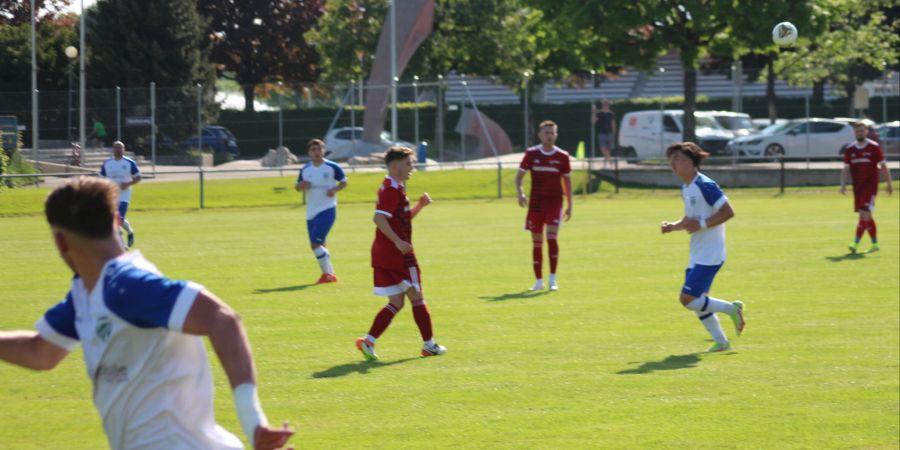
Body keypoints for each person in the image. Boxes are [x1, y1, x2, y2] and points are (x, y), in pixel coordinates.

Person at [0, 177, 294, 450]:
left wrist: (252, 419)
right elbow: (40, 352)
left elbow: (222, 319)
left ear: (61, 241)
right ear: (117, 220)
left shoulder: (126, 285)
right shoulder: (86, 291)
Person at [355, 146, 446, 361]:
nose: (412, 167)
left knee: (396, 301)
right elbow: (378, 218)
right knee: (417, 297)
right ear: (395, 166)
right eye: (408, 163)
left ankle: (369, 341)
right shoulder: (392, 189)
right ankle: (429, 345)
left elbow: (398, 219)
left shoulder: (394, 187)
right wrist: (398, 242)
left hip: (384, 253)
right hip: (398, 255)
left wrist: (420, 206)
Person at [660, 142, 745, 353]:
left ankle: (732, 309)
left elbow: (728, 212)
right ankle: (722, 343)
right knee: (698, 301)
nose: (673, 164)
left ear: (690, 162)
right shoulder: (686, 187)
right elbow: (692, 218)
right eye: (671, 160)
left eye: (677, 159)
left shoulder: (705, 185)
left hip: (711, 253)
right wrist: (675, 226)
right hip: (697, 252)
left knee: (687, 300)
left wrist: (702, 225)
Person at [515, 120, 573, 291]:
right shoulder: (531, 154)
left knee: (552, 238)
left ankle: (553, 279)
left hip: (555, 203)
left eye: (552, 133)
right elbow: (519, 177)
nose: (549, 135)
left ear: (556, 135)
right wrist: (520, 193)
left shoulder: (562, 156)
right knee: (537, 242)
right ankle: (538, 280)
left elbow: (567, 182)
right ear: (540, 135)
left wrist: (570, 205)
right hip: (536, 204)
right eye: (546, 132)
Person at [294, 139, 347, 283]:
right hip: (311, 212)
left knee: (314, 244)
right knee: (321, 245)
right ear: (309, 153)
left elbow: (344, 181)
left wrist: (335, 189)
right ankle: (330, 274)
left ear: (324, 150)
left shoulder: (332, 167)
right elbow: (297, 187)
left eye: (319, 149)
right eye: (313, 150)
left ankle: (327, 275)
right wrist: (301, 185)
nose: (317, 152)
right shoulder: (305, 169)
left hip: (327, 209)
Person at [841, 121, 893, 254]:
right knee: (866, 217)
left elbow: (883, 166)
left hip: (870, 188)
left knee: (864, 215)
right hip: (857, 188)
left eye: (862, 131)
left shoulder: (874, 147)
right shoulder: (850, 149)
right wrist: (843, 184)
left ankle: (855, 243)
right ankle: (875, 244)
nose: (860, 133)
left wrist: (889, 183)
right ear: (854, 133)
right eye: (858, 131)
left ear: (867, 132)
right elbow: (846, 168)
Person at [99, 141, 140, 248]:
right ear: (113, 149)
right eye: (116, 148)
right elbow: (101, 178)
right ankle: (129, 232)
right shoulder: (107, 163)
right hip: (111, 194)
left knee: (118, 218)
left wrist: (128, 183)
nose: (118, 149)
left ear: (124, 149)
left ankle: (122, 244)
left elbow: (138, 177)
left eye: (120, 148)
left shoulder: (130, 163)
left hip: (124, 195)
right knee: (115, 218)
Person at [592, 99, 616, 169]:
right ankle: (609, 161)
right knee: (603, 149)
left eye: (607, 105)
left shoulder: (611, 114)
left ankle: (606, 164)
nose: (606, 106)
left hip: (609, 133)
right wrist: (593, 112)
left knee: (608, 149)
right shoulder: (599, 113)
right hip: (601, 133)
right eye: (604, 105)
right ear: (602, 105)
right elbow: (593, 121)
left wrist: (614, 134)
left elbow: (613, 124)